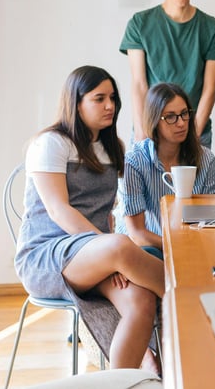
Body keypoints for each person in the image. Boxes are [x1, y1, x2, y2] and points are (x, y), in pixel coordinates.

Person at [15, 66, 164, 370]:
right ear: (76, 102)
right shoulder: (52, 143)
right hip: (47, 256)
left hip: (96, 255)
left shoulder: (112, 148)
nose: (110, 105)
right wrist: (110, 251)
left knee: (141, 301)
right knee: (122, 246)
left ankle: (123, 379)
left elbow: (105, 213)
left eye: (113, 98)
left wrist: (109, 253)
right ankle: (194, 301)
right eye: (99, 98)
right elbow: (59, 210)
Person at [120, 0, 215, 149]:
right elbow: (139, 84)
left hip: (195, 130)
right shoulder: (139, 24)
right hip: (151, 130)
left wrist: (192, 137)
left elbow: (210, 89)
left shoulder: (212, 28)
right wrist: (143, 134)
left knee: (195, 182)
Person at [115, 83, 215, 258]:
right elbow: (137, 234)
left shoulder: (206, 158)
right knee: (151, 254)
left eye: (184, 114)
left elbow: (208, 221)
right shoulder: (134, 161)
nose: (181, 123)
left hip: (191, 246)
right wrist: (177, 246)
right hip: (146, 249)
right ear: (154, 121)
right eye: (170, 117)